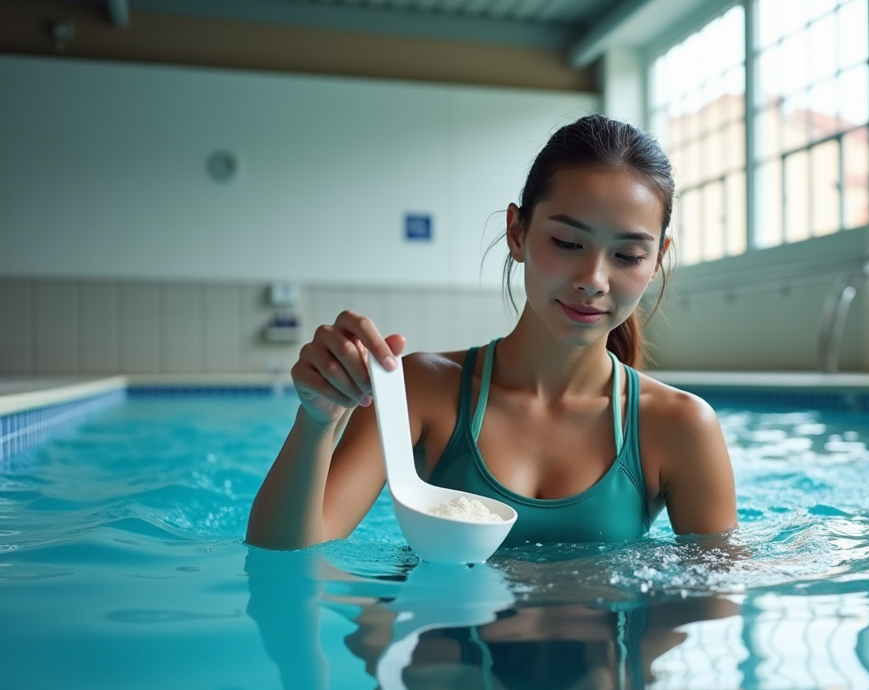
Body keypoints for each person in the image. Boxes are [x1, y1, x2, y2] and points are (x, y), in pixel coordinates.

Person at [246, 114, 737, 551]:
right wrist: (317, 422)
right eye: (567, 242)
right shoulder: (424, 389)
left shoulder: (678, 427)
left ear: (656, 262)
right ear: (517, 233)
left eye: (628, 255)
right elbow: (287, 555)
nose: (593, 279)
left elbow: (713, 604)